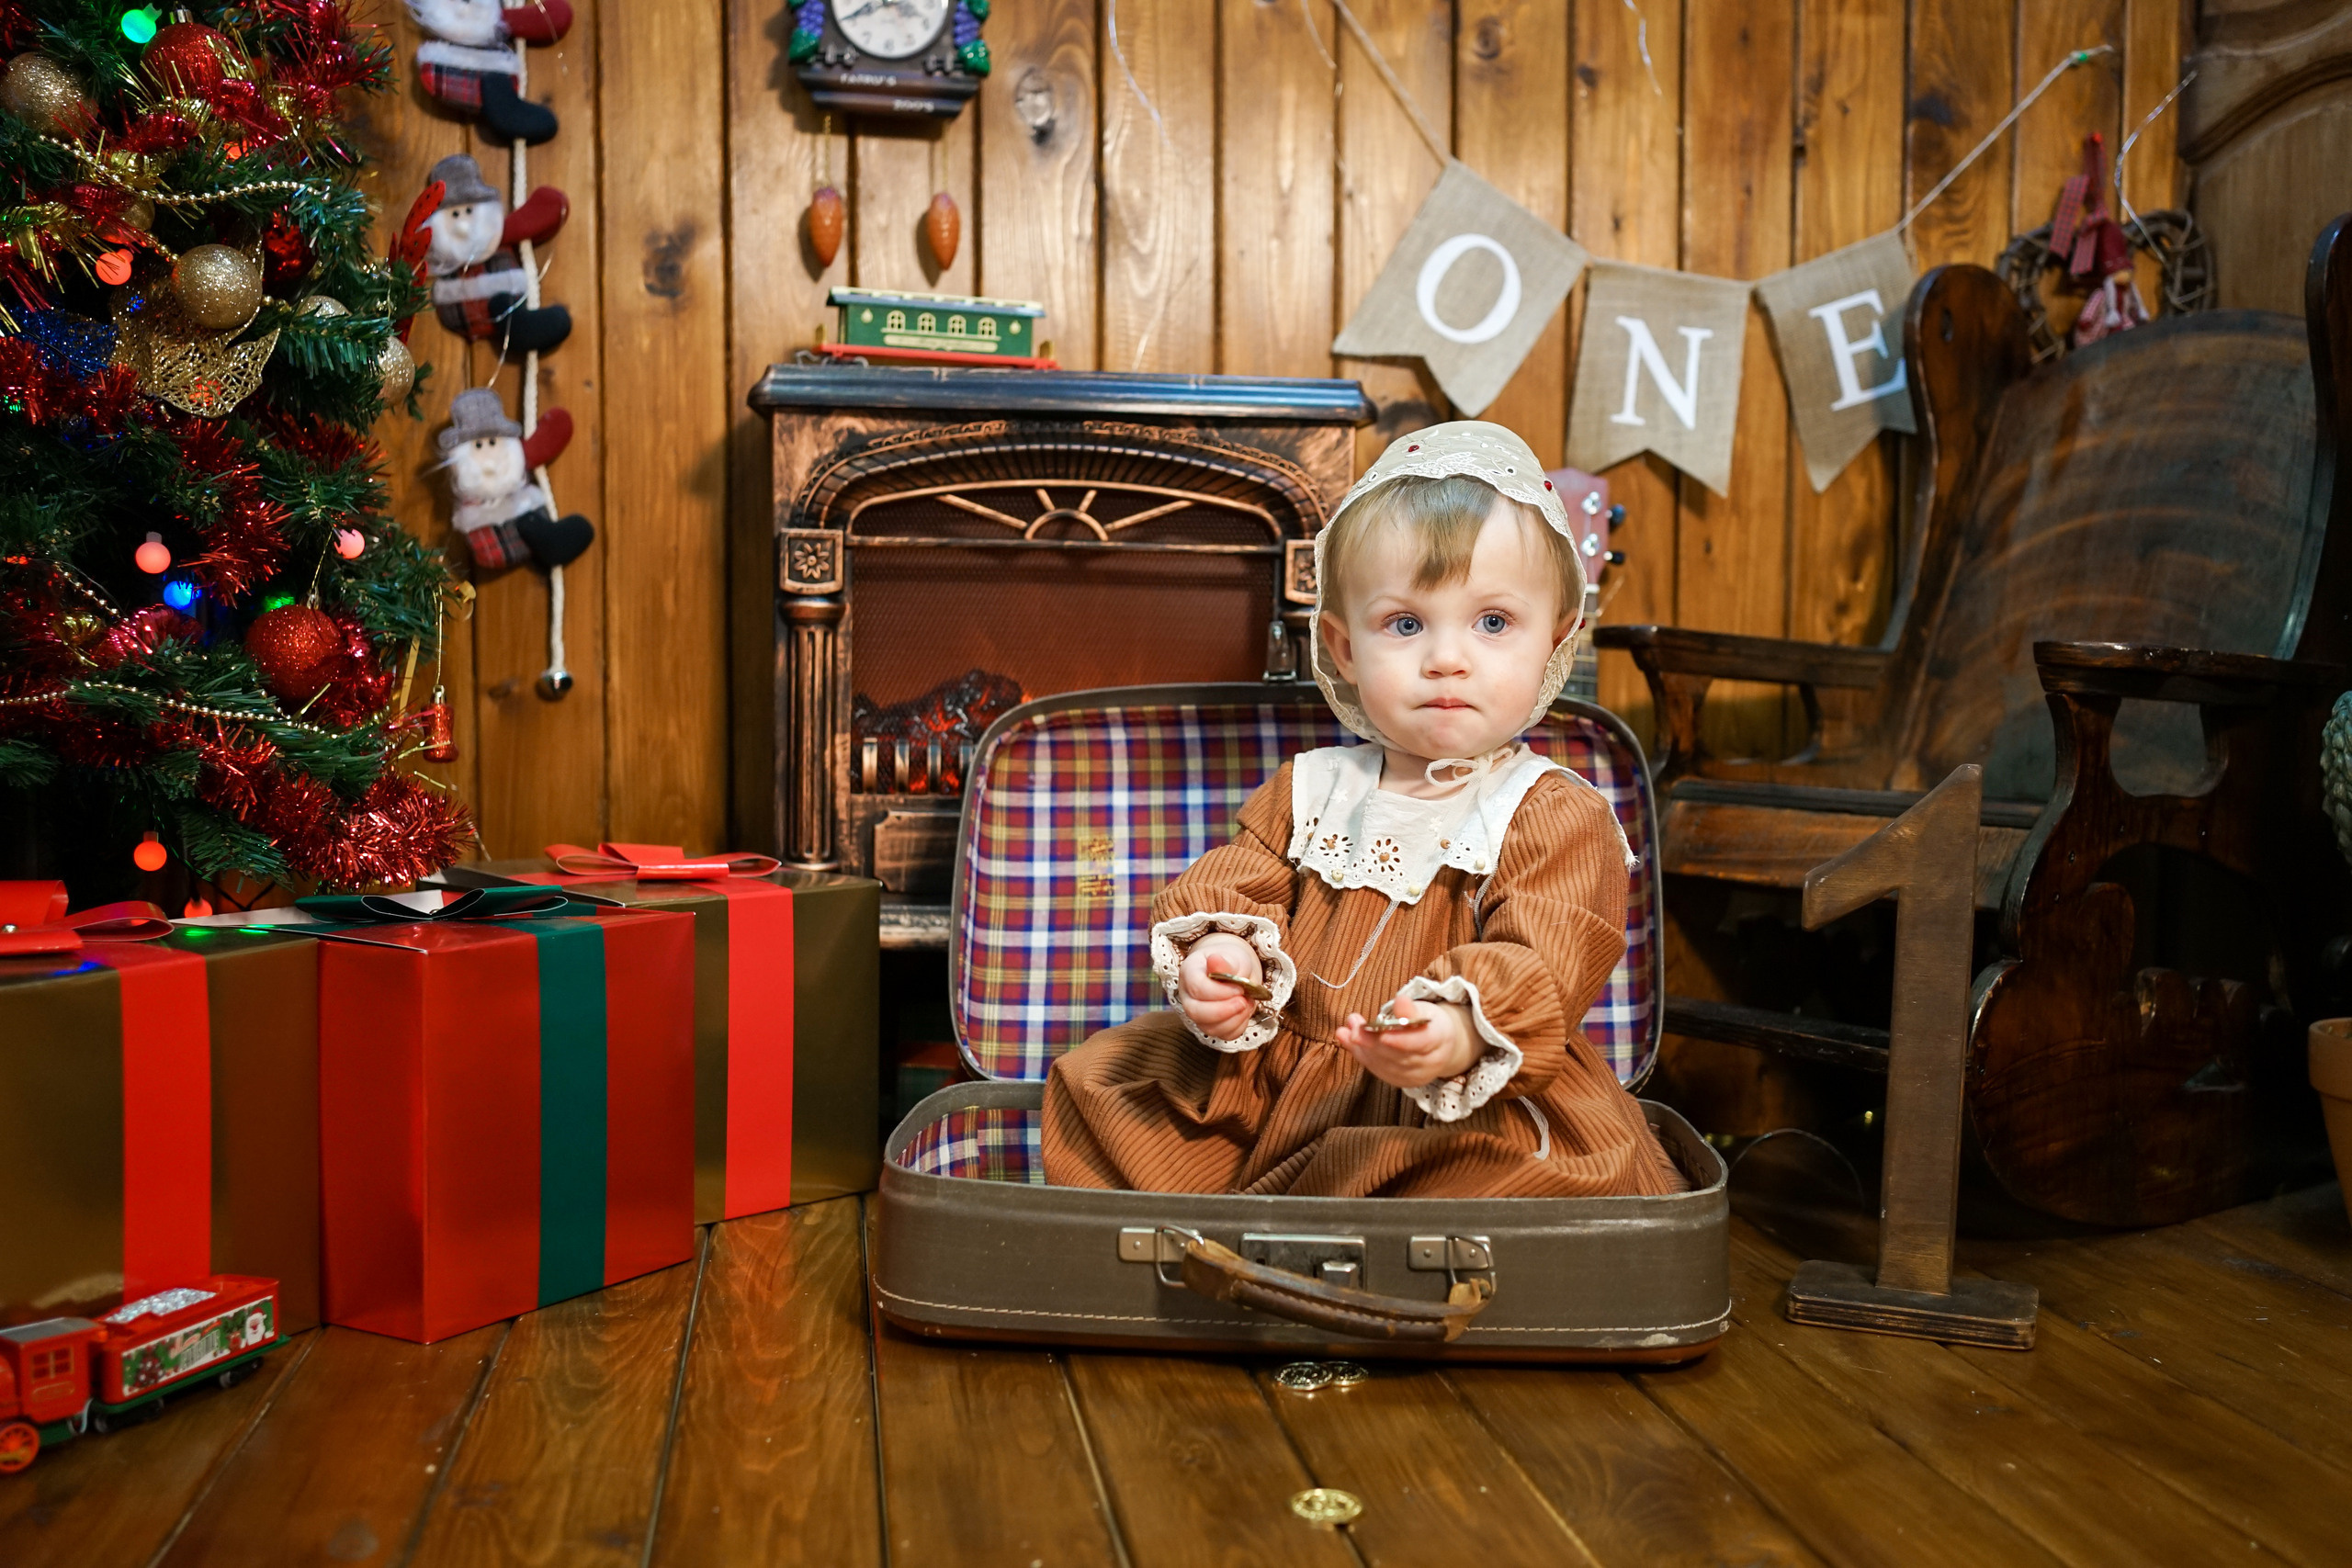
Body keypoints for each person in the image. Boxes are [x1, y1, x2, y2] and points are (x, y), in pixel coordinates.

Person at [1042, 422, 1687, 1199]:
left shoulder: (1550, 812)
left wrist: (1458, 1029)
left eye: (1492, 622)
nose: (1447, 657)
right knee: (1102, 1084)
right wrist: (1223, 957)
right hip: (1283, 1083)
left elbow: (1546, 958)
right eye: (1406, 623)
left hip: (1448, 1096)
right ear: (1345, 649)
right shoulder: (1315, 787)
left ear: (1556, 640)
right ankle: (1229, 1242)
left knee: (1492, 1176)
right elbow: (1235, 882)